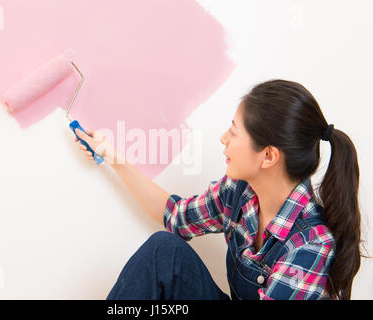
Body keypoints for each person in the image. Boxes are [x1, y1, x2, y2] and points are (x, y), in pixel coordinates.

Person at [73, 79, 363, 300]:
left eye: (234, 131)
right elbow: (176, 217)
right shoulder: (240, 193)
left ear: (269, 156)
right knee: (164, 250)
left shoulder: (311, 245)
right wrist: (113, 157)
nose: (224, 139)